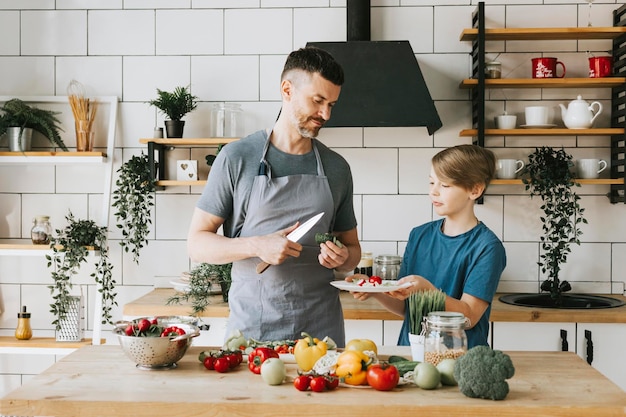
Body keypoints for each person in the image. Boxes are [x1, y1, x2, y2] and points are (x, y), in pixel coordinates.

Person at [187, 46, 361, 347]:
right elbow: (197, 243)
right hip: (253, 332)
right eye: (318, 101)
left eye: (332, 104)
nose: (326, 114)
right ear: (287, 89)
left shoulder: (337, 169)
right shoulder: (237, 158)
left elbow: (353, 250)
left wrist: (344, 258)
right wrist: (256, 244)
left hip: (322, 334)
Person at [349, 144, 506, 348]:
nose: (434, 192)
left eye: (445, 185)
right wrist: (374, 288)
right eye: (432, 182)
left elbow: (469, 316)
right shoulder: (419, 235)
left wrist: (429, 291)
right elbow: (406, 306)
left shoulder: (487, 247)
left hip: (459, 359)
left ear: (475, 190)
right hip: (411, 354)